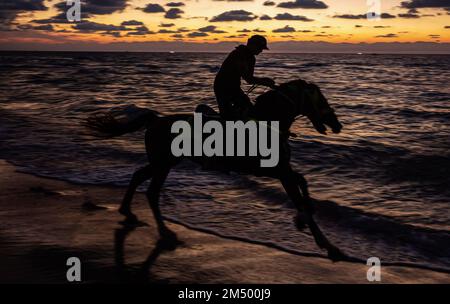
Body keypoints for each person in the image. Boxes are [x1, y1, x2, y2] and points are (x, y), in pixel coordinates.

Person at [214, 35, 275, 120]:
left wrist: (265, 81)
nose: (261, 50)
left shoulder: (251, 58)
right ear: (252, 45)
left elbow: (249, 77)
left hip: (234, 88)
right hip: (222, 87)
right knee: (227, 115)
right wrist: (265, 82)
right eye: (260, 48)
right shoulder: (239, 54)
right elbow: (248, 79)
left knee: (249, 110)